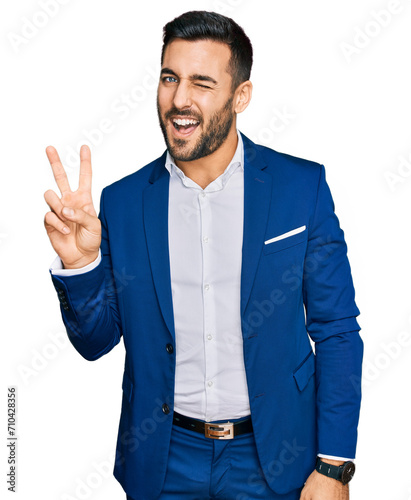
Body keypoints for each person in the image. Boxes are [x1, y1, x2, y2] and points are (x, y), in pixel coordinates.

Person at [44, 10, 363, 500]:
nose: (179, 99)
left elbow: (337, 330)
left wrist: (334, 466)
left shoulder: (302, 189)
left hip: (276, 458)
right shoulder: (123, 203)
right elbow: (95, 341)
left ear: (241, 96)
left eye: (201, 82)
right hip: (163, 462)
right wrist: (80, 264)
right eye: (170, 78)